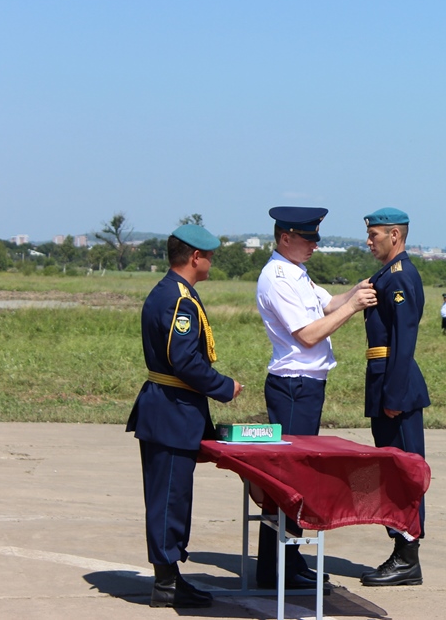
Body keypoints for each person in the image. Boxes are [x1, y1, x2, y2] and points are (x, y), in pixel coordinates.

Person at [254, 207, 377, 590]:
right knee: (289, 477)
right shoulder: (277, 278)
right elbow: (307, 334)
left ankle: (286, 562)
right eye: (307, 240)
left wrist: (353, 293)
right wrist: (354, 308)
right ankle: (278, 568)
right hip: (294, 385)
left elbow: (325, 303)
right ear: (285, 237)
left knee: (294, 477)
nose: (313, 247)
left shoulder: (296, 273)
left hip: (306, 385)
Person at [126, 224, 242, 609]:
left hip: (168, 409)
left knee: (172, 497)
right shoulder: (179, 300)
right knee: (169, 498)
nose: (211, 262)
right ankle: (165, 584)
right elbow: (185, 361)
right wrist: (225, 387)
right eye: (209, 256)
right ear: (196, 257)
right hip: (171, 412)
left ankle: (170, 576)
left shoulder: (171, 292)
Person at [361, 207, 431, 586]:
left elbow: (404, 342)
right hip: (384, 380)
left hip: (395, 386)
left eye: (374, 235)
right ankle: (400, 550)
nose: (369, 241)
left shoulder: (400, 276)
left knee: (405, 472)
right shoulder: (386, 275)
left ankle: (408, 554)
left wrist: (394, 393)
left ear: (395, 235)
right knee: (391, 471)